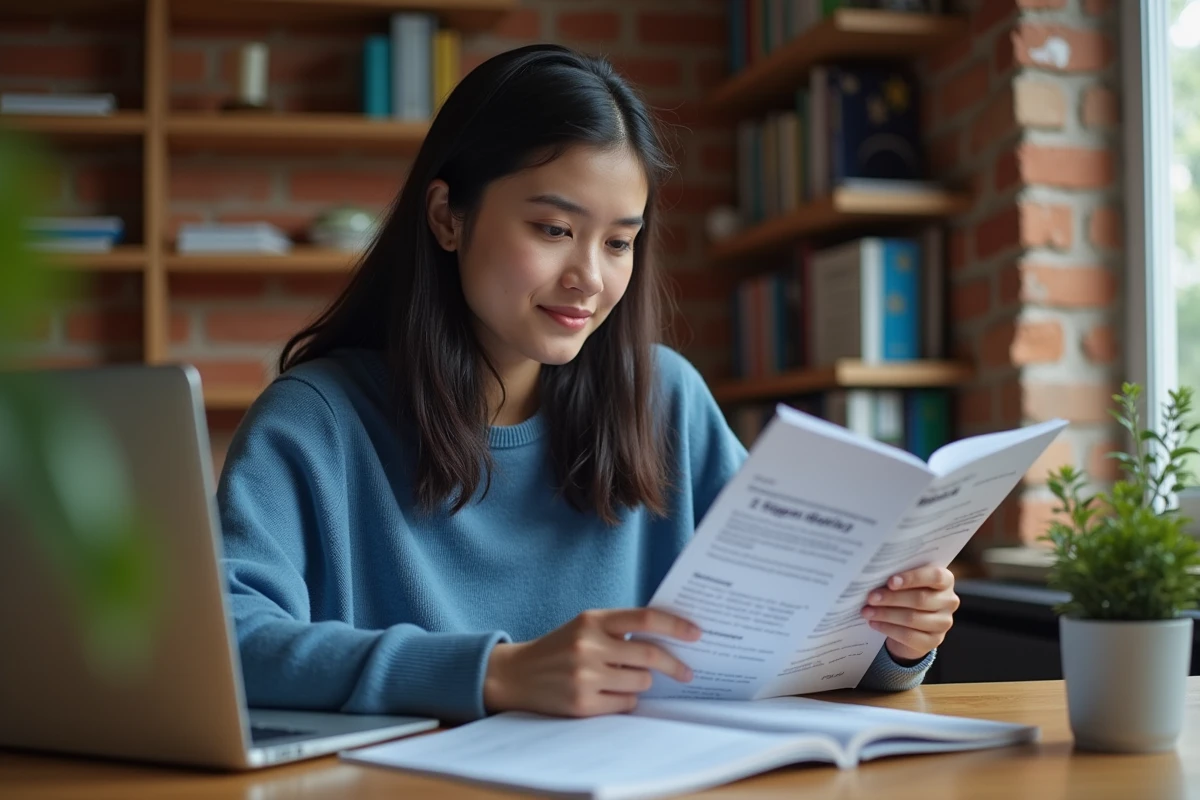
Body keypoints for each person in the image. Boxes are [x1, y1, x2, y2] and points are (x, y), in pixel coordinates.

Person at [217, 44, 959, 723]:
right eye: (553, 230)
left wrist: (890, 640)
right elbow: (223, 641)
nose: (590, 280)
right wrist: (494, 674)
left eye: (618, 243)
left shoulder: (665, 400)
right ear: (447, 216)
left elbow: (786, 630)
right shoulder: (315, 422)